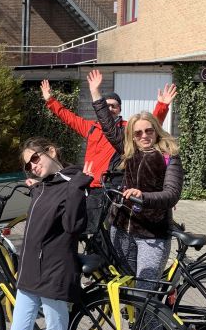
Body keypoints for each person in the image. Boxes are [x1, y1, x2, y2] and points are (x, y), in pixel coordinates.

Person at [88, 69, 183, 330]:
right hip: (122, 230)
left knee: (143, 297)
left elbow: (171, 195)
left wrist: (143, 197)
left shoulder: (168, 155)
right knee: (130, 290)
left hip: (151, 235)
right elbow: (107, 127)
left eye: (148, 131)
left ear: (156, 131)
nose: (143, 136)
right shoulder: (127, 151)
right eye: (138, 132)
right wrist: (97, 95)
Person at [11, 137, 94, 330]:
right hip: (30, 274)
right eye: (28, 164)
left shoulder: (73, 183)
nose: (32, 166)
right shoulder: (43, 186)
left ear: (52, 151)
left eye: (35, 158)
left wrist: (76, 188)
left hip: (56, 273)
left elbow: (74, 226)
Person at [39, 78, 175, 234]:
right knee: (88, 232)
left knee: (108, 233)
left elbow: (149, 126)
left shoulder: (125, 129)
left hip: (112, 188)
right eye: (107, 105)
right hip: (89, 186)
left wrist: (162, 106)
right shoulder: (90, 128)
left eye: (114, 106)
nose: (110, 109)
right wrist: (50, 100)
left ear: (119, 109)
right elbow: (68, 117)